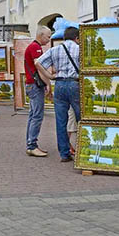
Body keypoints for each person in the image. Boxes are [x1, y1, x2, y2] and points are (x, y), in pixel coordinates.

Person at [38, 26, 82, 162]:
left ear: (64, 37)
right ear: (77, 38)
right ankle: (84, 150)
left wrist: (50, 77)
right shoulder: (80, 49)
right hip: (75, 84)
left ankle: (64, 153)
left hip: (60, 85)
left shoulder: (55, 49)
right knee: (81, 118)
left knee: (61, 120)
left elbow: (38, 63)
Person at [24, 26, 55, 158]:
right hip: (35, 85)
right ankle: (32, 145)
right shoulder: (35, 48)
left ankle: (30, 143)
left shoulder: (33, 47)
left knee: (33, 115)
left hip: (32, 84)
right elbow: (39, 67)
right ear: (41, 35)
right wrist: (48, 82)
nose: (49, 40)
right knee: (37, 115)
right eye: (48, 37)